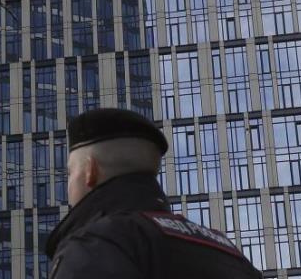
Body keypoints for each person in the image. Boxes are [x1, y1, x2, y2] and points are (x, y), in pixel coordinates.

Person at [46, 108, 263, 279]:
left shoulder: (97, 241)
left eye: (70, 172)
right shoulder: (226, 250)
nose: (68, 186)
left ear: (89, 170)